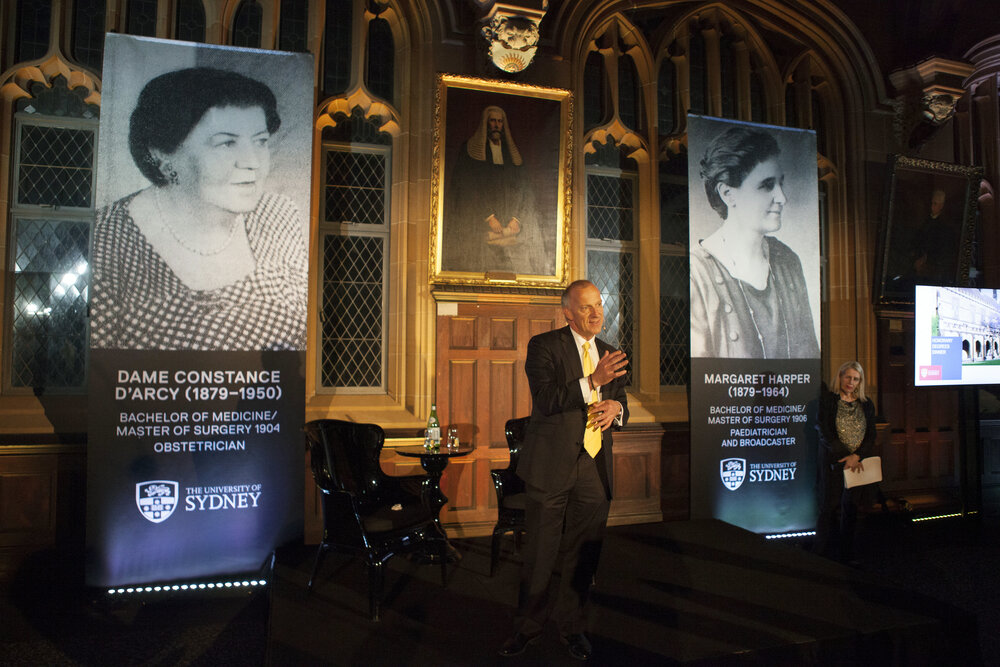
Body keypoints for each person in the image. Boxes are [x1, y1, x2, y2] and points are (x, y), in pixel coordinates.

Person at [90, 67, 307, 350]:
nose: (252, 162)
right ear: (163, 153)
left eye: (260, 141)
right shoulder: (106, 240)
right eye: (227, 143)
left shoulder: (277, 215)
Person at [498, 280, 629, 661]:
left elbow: (620, 400)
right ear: (568, 313)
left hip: (594, 467)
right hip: (551, 466)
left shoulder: (610, 353)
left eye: (599, 305)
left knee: (583, 555)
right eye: (586, 307)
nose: (596, 313)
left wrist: (617, 409)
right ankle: (527, 628)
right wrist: (593, 382)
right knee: (540, 553)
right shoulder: (544, 346)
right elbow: (547, 399)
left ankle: (572, 627)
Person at [691, 125, 819, 358]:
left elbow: (808, 352)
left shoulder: (787, 261)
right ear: (728, 194)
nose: (782, 198)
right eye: (767, 185)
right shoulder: (697, 272)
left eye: (781, 183)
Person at [442, 105, 548, 275]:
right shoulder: (470, 150)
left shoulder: (511, 154)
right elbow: (467, 187)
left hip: (510, 224)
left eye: (500, 121)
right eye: (493, 121)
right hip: (480, 222)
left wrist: (516, 219)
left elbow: (525, 189)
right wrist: (489, 217)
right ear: (486, 123)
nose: (497, 125)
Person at [814, 361, 877, 563]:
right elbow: (823, 429)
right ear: (840, 377)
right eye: (848, 377)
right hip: (833, 462)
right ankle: (821, 555)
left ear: (860, 382)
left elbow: (871, 435)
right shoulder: (828, 400)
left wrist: (856, 456)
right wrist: (844, 456)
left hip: (856, 464)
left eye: (856, 379)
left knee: (851, 508)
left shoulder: (866, 403)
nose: (851, 382)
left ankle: (846, 555)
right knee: (829, 506)